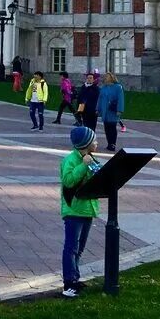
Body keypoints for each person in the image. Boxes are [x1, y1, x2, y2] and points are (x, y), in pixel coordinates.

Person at [60, 125, 101, 298]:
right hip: (74, 211)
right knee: (71, 247)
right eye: (95, 140)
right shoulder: (70, 160)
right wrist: (83, 166)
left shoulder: (91, 158)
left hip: (87, 210)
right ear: (86, 143)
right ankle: (69, 282)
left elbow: (97, 179)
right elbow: (68, 181)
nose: (97, 143)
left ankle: (75, 277)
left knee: (80, 247)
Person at [97, 72, 125, 151]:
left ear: (112, 78)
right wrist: (98, 109)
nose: (105, 78)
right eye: (105, 76)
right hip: (105, 110)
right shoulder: (104, 88)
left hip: (113, 110)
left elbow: (120, 99)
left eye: (107, 76)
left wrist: (119, 110)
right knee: (106, 127)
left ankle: (113, 144)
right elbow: (100, 99)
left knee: (112, 127)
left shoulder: (118, 87)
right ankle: (109, 143)